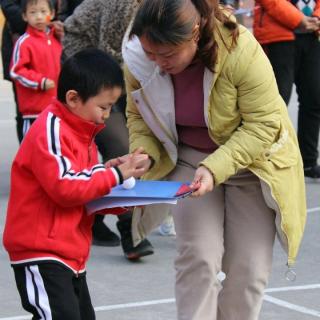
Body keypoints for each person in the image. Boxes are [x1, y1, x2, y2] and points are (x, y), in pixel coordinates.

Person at [122, 0, 307, 319]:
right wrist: (145, 153)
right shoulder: (140, 57)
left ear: (195, 33)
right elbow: (138, 115)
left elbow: (264, 124)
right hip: (190, 160)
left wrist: (216, 167)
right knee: (198, 260)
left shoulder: (238, 48)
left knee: (248, 271)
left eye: (167, 55)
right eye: (151, 54)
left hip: (253, 164)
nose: (158, 62)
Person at [2, 48, 151, 320]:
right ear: (73, 98)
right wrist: (116, 176)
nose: (107, 115)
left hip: (69, 250)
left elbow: (85, 189)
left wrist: (119, 193)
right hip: (41, 251)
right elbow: (66, 186)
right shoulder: (51, 129)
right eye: (103, 106)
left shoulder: (81, 132)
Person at [62, 0, 155, 258]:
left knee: (136, 140)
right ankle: (131, 233)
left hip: (119, 74)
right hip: (88, 67)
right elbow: (109, 53)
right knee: (119, 144)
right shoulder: (123, 4)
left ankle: (94, 219)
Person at [253, 0, 320, 178]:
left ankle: (309, 161)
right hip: (279, 37)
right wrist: (299, 20)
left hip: (313, 36)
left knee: (314, 100)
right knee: (276, 102)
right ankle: (267, 160)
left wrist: (316, 18)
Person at [0, 0, 62, 142]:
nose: (39, 17)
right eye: (33, 13)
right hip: (34, 111)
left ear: (52, 14)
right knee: (32, 147)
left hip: (56, 108)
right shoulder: (24, 42)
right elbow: (16, 71)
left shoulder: (56, 40)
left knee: (53, 145)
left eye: (43, 12)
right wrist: (40, 82)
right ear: (25, 16)